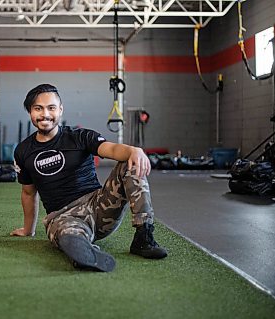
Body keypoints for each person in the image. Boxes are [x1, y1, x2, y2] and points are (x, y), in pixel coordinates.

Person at [11, 83, 167, 272]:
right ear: (30, 112)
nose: (45, 114)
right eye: (38, 108)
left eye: (51, 108)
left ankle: (144, 237)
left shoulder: (80, 137)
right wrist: (28, 230)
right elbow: (28, 193)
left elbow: (111, 149)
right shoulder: (23, 151)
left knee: (129, 162)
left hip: (99, 207)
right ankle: (80, 250)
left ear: (60, 110)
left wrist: (133, 150)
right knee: (69, 234)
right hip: (62, 217)